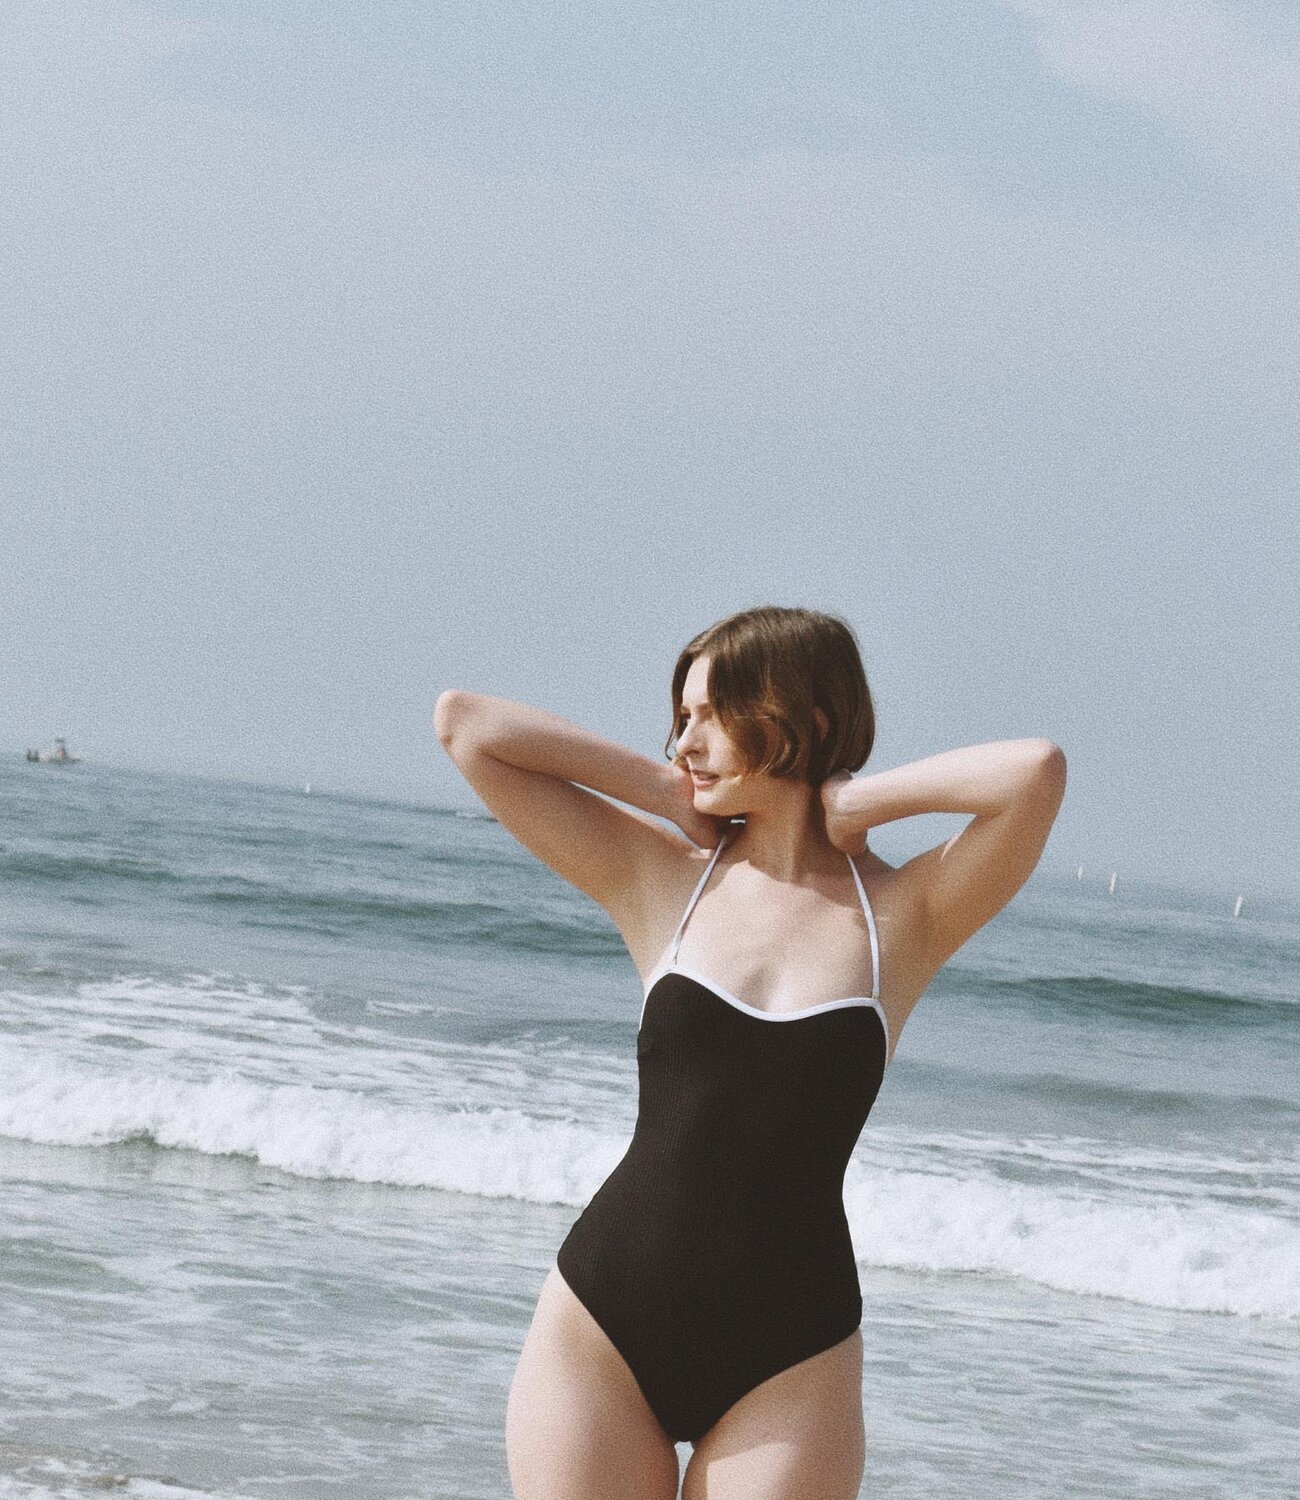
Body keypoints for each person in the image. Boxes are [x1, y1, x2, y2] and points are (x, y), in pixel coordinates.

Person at [434, 605, 1066, 1500]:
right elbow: (466, 725)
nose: (683, 742)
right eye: (680, 717)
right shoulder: (661, 879)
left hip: (791, 1359)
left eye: (710, 716)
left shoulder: (906, 915)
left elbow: (1035, 772)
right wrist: (665, 792)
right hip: (603, 1329)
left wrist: (857, 801)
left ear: (802, 721)